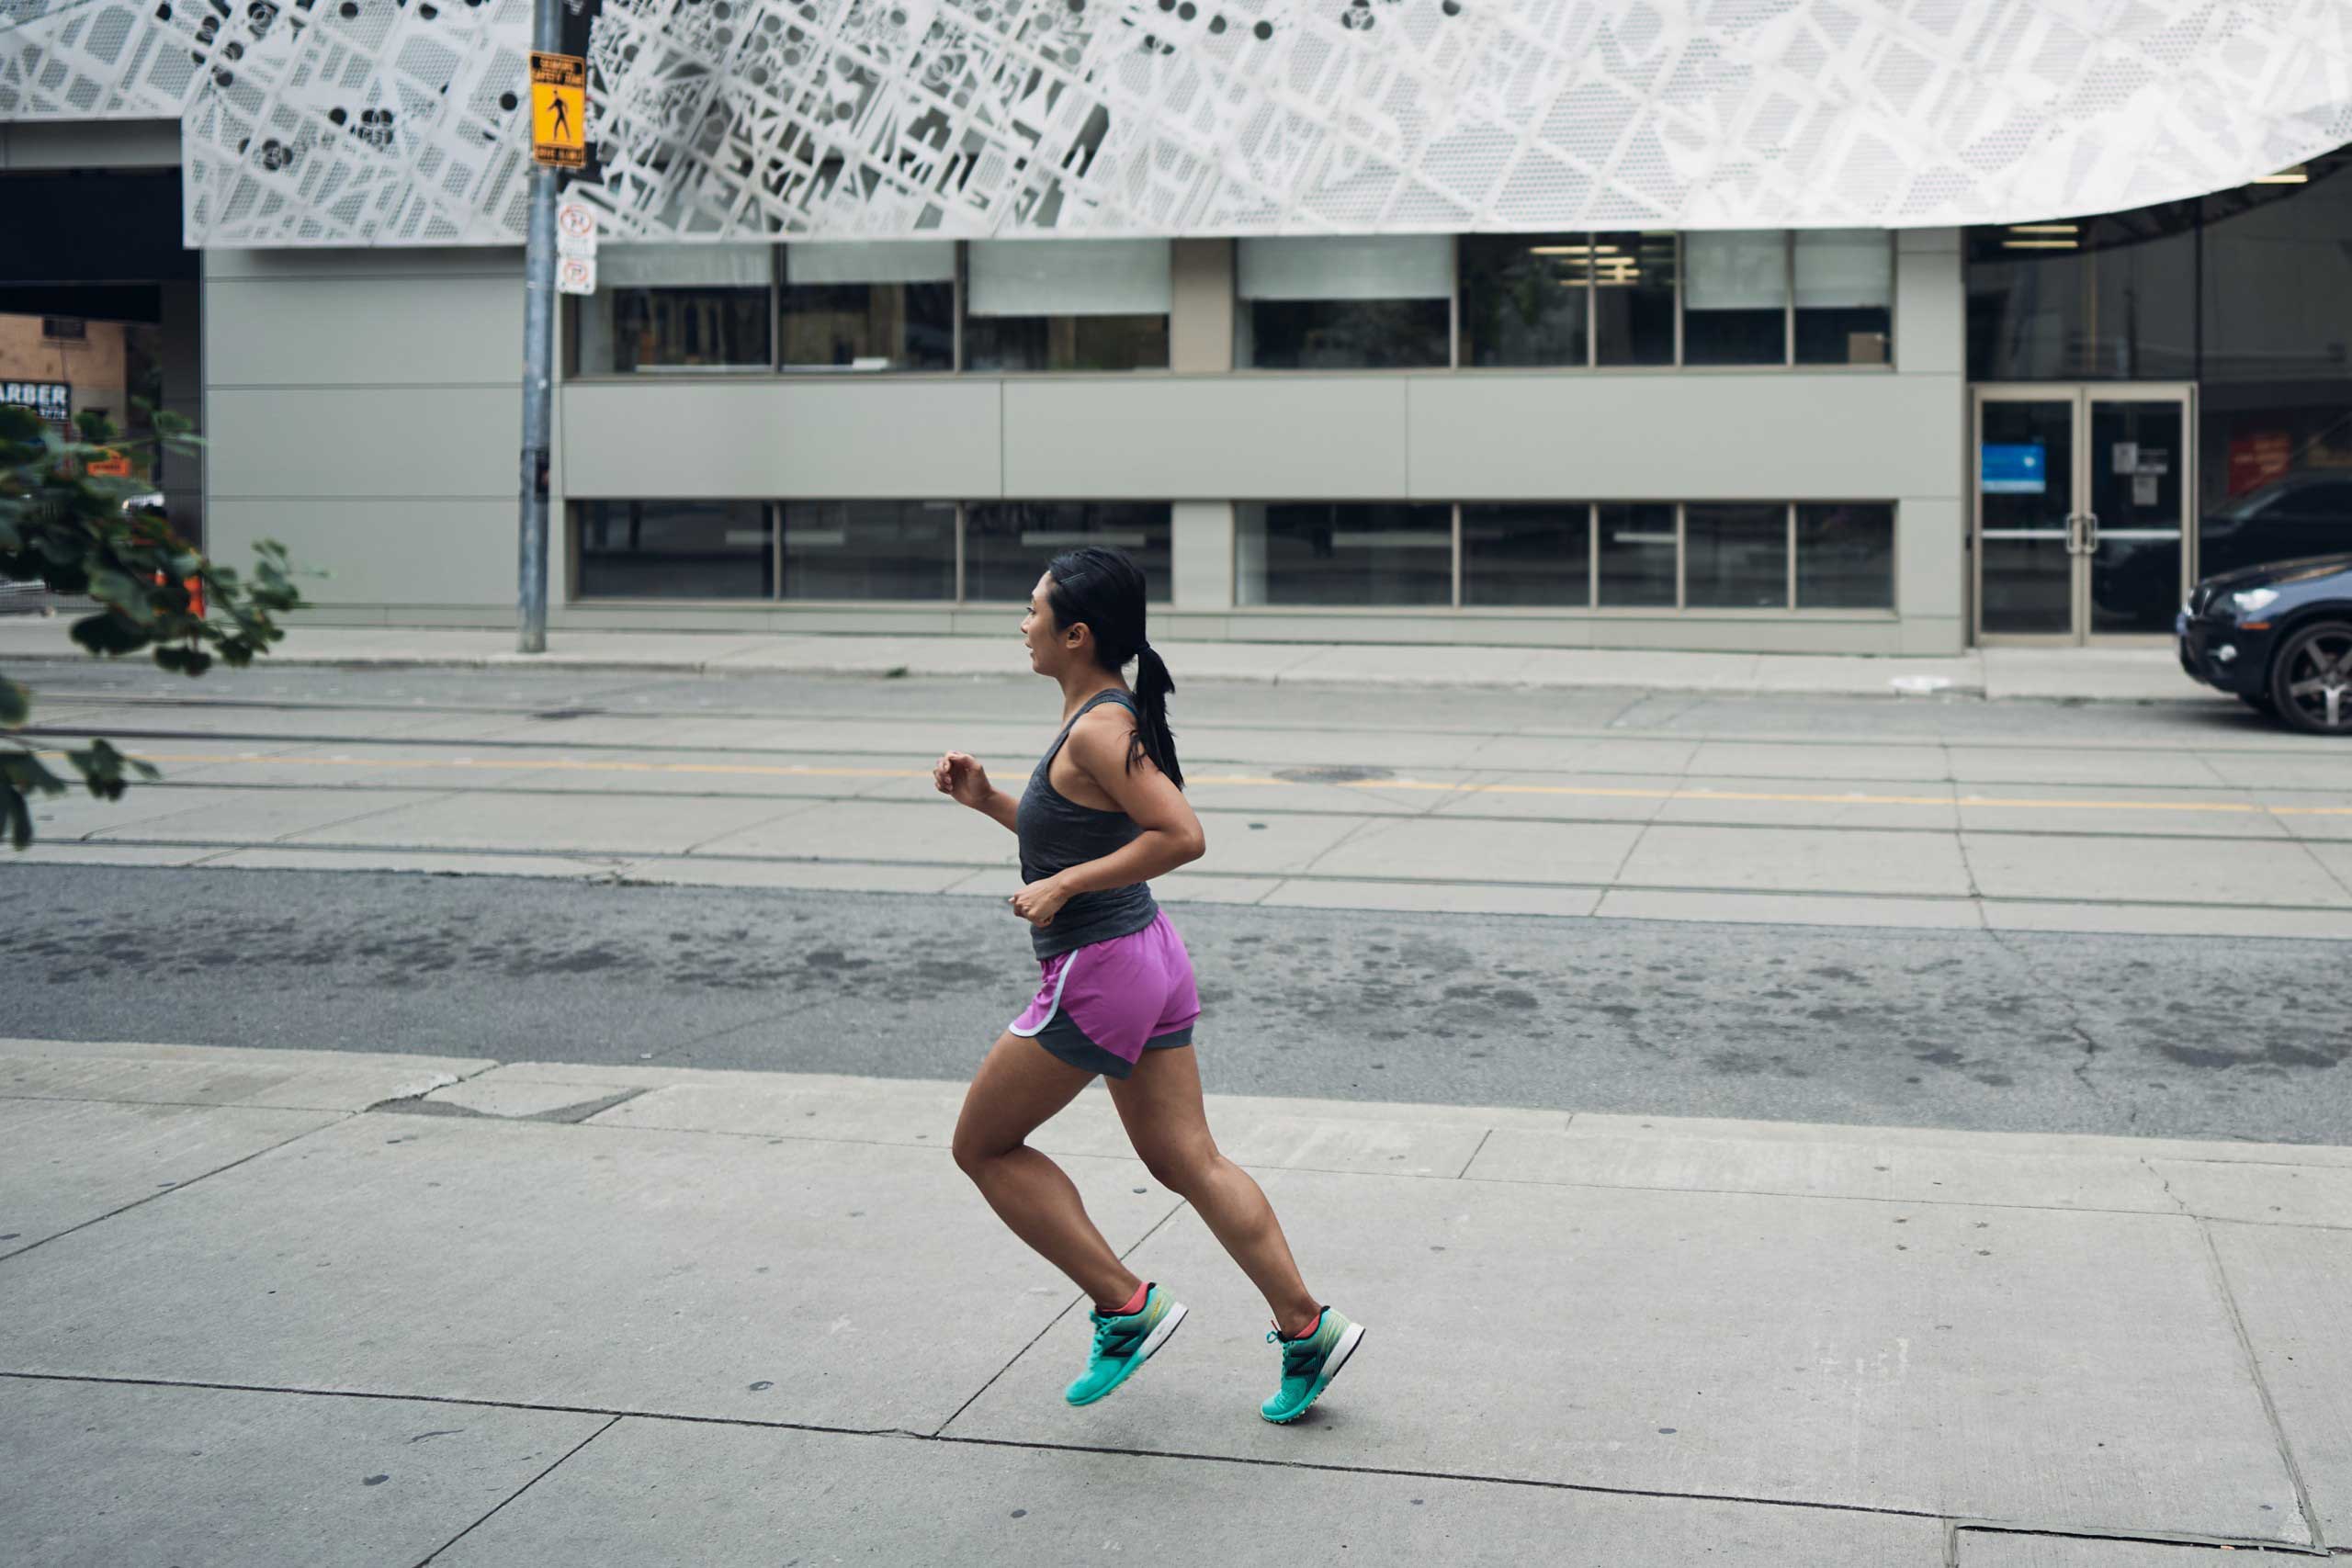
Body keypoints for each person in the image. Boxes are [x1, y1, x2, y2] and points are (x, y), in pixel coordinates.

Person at [937, 547, 1363, 1423]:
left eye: (1033, 611)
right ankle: (1306, 1327)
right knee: (1186, 1158)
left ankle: (1124, 1306)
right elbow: (1083, 835)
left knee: (981, 1145)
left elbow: (1181, 834)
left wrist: (1064, 888)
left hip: (1100, 968)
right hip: (1144, 956)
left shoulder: (1097, 724)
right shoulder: (1095, 715)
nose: (1023, 625)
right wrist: (989, 803)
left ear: (1077, 633)